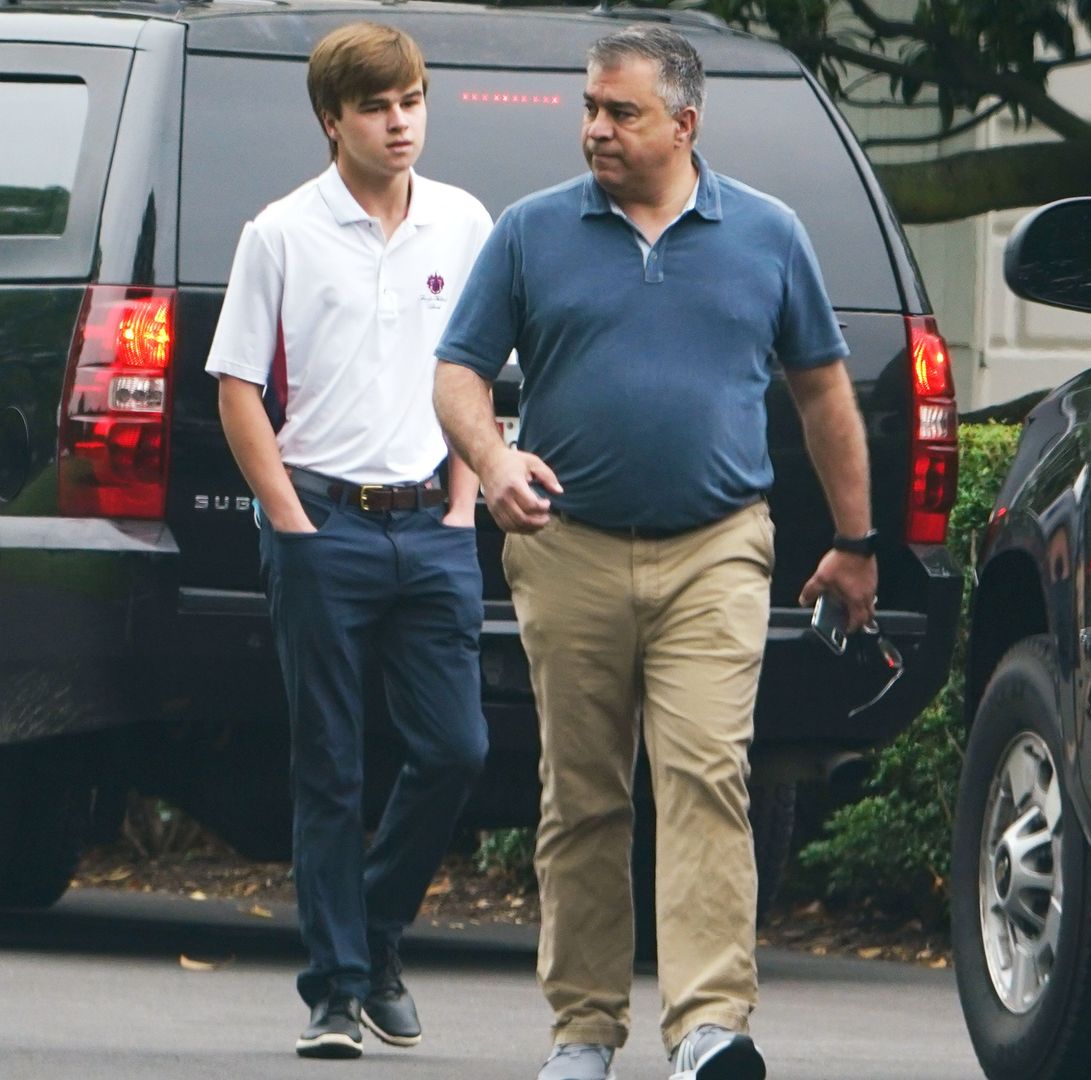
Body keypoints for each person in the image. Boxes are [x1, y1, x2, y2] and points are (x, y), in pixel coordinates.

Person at [432, 24, 876, 1080]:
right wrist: (493, 460)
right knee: (581, 795)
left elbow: (823, 395)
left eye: (620, 112)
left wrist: (857, 544)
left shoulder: (767, 235)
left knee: (706, 775)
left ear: (686, 122)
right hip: (569, 548)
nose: (596, 128)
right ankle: (583, 1033)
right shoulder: (533, 233)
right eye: (589, 108)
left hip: (718, 550)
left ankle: (710, 1028)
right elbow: (457, 373)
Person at [204, 21, 494, 1060]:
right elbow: (237, 386)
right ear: (333, 121)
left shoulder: (463, 224)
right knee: (328, 764)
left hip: (434, 525)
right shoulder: (279, 232)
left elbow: (476, 371)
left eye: (411, 100)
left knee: (457, 746)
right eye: (376, 107)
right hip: (322, 522)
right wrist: (288, 516)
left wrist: (464, 504)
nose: (400, 122)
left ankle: (373, 933)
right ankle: (333, 990)